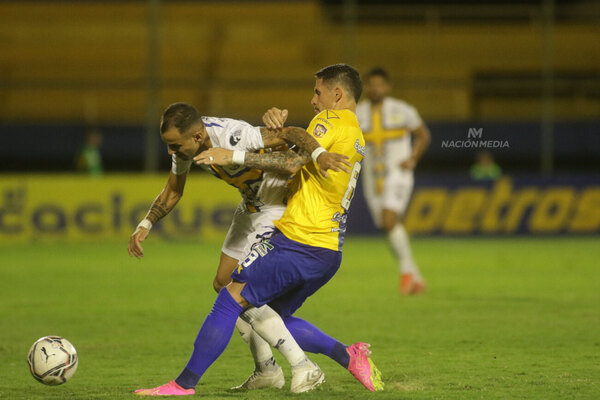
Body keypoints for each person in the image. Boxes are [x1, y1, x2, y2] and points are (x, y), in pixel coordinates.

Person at [134, 64, 384, 396]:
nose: (312, 100)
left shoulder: (326, 121)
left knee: (231, 300)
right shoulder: (354, 130)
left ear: (336, 94)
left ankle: (191, 383)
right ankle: (339, 357)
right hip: (323, 244)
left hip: (294, 231)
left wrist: (235, 153)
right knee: (257, 309)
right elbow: (295, 149)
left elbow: (294, 153)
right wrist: (146, 223)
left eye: (317, 92)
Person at [355, 67, 431, 295]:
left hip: (398, 174)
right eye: (371, 84)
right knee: (388, 227)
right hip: (372, 177)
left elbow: (422, 135)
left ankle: (407, 274)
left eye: (379, 84)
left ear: (387, 87)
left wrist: (412, 159)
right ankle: (416, 276)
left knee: (389, 221)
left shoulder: (402, 109)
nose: (375, 88)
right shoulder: (358, 113)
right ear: (365, 87)